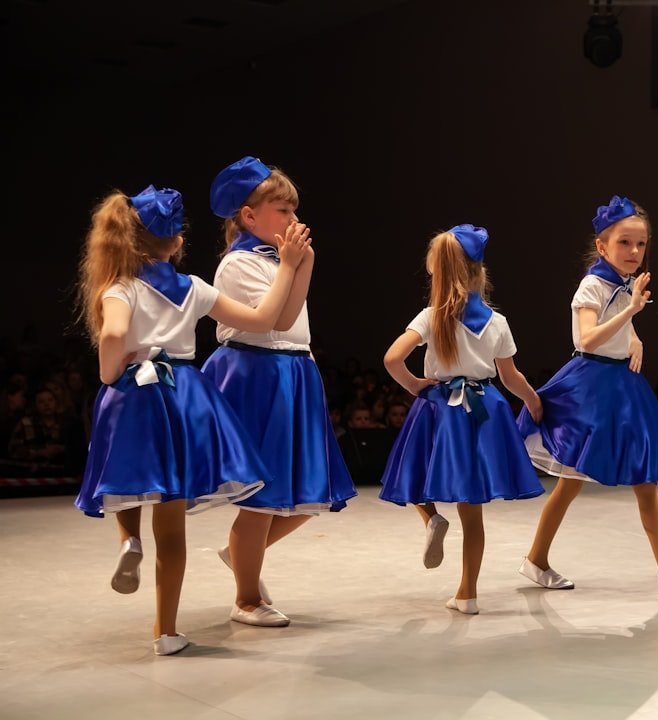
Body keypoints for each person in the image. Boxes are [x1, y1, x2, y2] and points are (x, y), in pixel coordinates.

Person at [74, 185, 307, 655]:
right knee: (171, 522)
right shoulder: (195, 288)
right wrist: (288, 267)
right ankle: (165, 633)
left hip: (133, 393)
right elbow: (263, 319)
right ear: (177, 241)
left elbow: (114, 333)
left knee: (130, 476)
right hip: (182, 395)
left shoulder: (121, 288)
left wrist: (109, 373)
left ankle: (129, 540)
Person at [517, 196, 658, 602]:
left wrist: (634, 336)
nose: (634, 251)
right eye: (624, 243)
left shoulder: (623, 284)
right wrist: (631, 312)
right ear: (602, 246)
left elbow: (617, 327)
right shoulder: (593, 284)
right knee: (569, 484)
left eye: (641, 244)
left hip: (622, 387)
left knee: (644, 480)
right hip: (590, 388)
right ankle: (536, 559)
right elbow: (587, 338)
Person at [202, 157, 357, 628]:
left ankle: (239, 555)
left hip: (292, 372)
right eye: (283, 210)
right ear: (250, 216)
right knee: (262, 498)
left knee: (311, 495)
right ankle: (246, 598)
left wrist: (301, 262)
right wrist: (291, 264)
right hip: (257, 376)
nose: (294, 219)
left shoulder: (276, 260)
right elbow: (269, 321)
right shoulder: (238, 264)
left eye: (294, 210)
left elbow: (290, 320)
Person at [379, 225, 544, 614]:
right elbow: (510, 377)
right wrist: (532, 400)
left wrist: (415, 385)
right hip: (484, 408)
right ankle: (467, 594)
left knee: (414, 474)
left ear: (437, 273)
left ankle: (431, 519)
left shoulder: (431, 317)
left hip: (439, 406)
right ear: (480, 274)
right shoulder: (497, 322)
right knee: (473, 509)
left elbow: (391, 358)